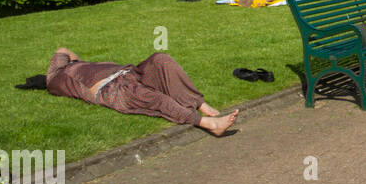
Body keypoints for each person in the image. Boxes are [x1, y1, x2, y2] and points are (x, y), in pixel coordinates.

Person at [33, 48, 238, 136]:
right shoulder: (55, 78)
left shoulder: (75, 65)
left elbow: (68, 52)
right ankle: (207, 123)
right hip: (111, 89)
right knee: (151, 98)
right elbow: (62, 50)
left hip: (131, 72)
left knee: (161, 59)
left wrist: (79, 61)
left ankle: (199, 103)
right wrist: (71, 63)